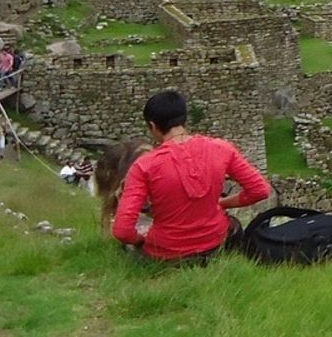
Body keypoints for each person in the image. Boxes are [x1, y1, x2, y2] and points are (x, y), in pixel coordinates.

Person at [111, 90, 270, 261]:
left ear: (153, 126)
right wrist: (222, 203)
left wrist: (141, 240)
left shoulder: (144, 166)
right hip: (216, 244)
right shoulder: (221, 149)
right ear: (184, 119)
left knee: (135, 237)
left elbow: (122, 230)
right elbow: (260, 190)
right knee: (233, 224)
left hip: (165, 253)